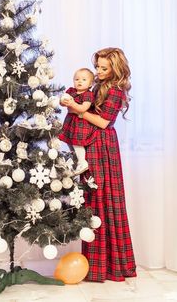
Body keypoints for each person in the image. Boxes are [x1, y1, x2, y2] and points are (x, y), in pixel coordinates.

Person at [61, 47, 136, 282]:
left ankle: (108, 266)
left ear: (116, 68)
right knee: (93, 200)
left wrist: (80, 113)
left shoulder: (115, 90)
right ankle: (95, 264)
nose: (99, 71)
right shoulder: (97, 86)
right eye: (98, 67)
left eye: (105, 68)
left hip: (103, 146)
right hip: (92, 143)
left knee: (105, 199)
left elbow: (104, 122)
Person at [59, 68, 97, 175]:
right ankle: (75, 158)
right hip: (71, 122)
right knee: (69, 140)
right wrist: (63, 100)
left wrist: (72, 104)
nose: (79, 81)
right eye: (77, 79)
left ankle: (82, 162)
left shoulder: (88, 95)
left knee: (77, 142)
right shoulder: (71, 91)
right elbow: (63, 103)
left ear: (90, 84)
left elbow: (83, 108)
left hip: (81, 123)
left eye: (84, 79)